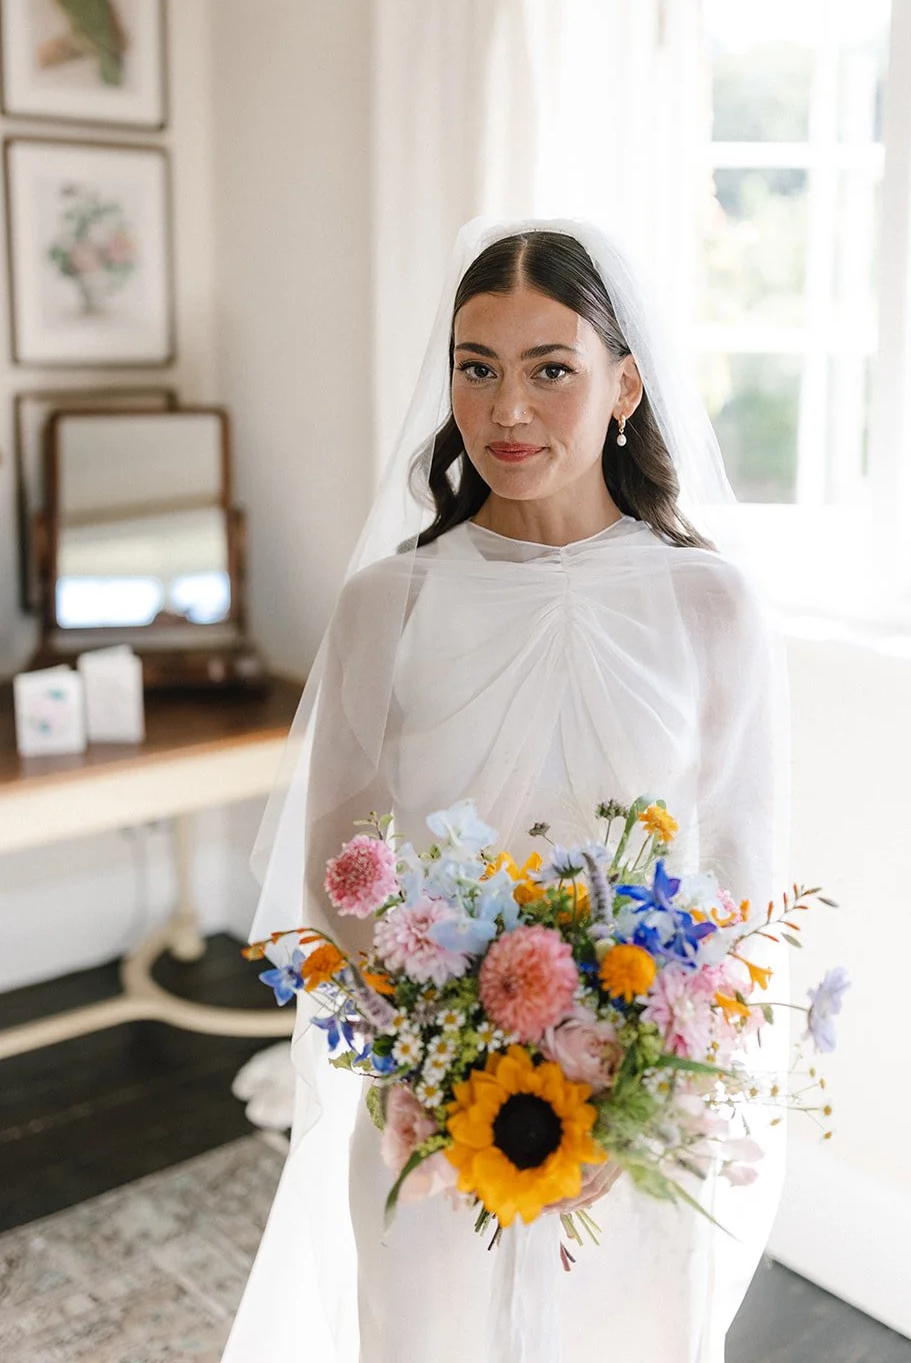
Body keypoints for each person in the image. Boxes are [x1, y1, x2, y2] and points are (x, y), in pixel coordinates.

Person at [221, 215, 792, 1363]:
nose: (507, 411)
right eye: (474, 369)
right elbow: (341, 871)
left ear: (623, 385)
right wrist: (436, 1059)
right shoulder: (391, 603)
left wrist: (638, 1083)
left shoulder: (706, 605)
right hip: (430, 1122)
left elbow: (738, 877)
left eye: (550, 370)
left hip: (635, 1123)